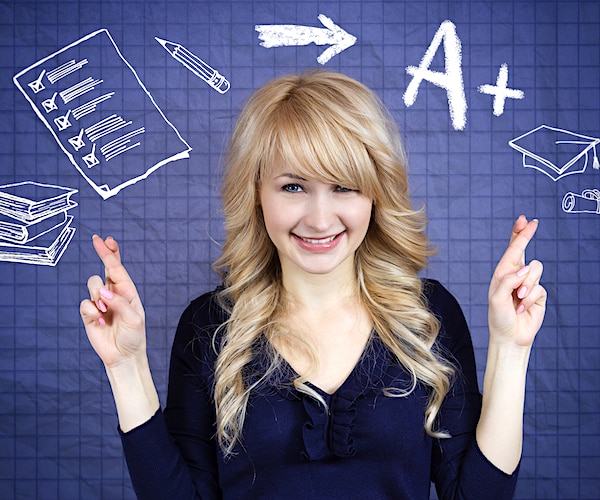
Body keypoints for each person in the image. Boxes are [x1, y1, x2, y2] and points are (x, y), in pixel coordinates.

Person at [80, 70, 546, 499]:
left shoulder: (429, 317)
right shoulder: (210, 327)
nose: (320, 220)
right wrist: (125, 366)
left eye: (343, 186)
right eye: (293, 187)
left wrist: (510, 347)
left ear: (375, 194)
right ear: (257, 194)